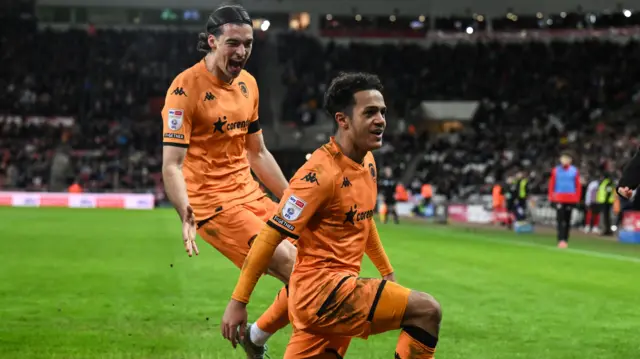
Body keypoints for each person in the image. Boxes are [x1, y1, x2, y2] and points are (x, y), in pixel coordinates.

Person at [221, 72, 442, 359]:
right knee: (427, 311)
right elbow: (269, 237)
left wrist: (387, 272)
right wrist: (239, 300)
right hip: (322, 296)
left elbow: (363, 219)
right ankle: (257, 333)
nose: (381, 120)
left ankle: (256, 337)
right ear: (343, 120)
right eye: (370, 112)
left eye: (383, 112)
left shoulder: (367, 162)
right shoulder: (318, 174)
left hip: (333, 294)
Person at [161, 4, 295, 357]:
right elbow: (171, 165)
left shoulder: (249, 84)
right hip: (213, 205)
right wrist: (185, 212)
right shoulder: (183, 90)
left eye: (248, 44)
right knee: (295, 267)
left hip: (250, 193)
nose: (242, 52)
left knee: (315, 266)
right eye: (233, 43)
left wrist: (296, 199)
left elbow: (258, 153)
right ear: (211, 41)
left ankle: (256, 337)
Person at [548, 152, 581, 248]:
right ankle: (560, 239)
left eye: (567, 158)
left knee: (567, 220)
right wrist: (551, 196)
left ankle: (565, 239)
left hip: (570, 198)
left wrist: (577, 198)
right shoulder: (556, 170)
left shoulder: (574, 171)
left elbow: (577, 185)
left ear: (570, 160)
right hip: (559, 198)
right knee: (560, 220)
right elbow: (552, 184)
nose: (564, 160)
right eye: (563, 158)